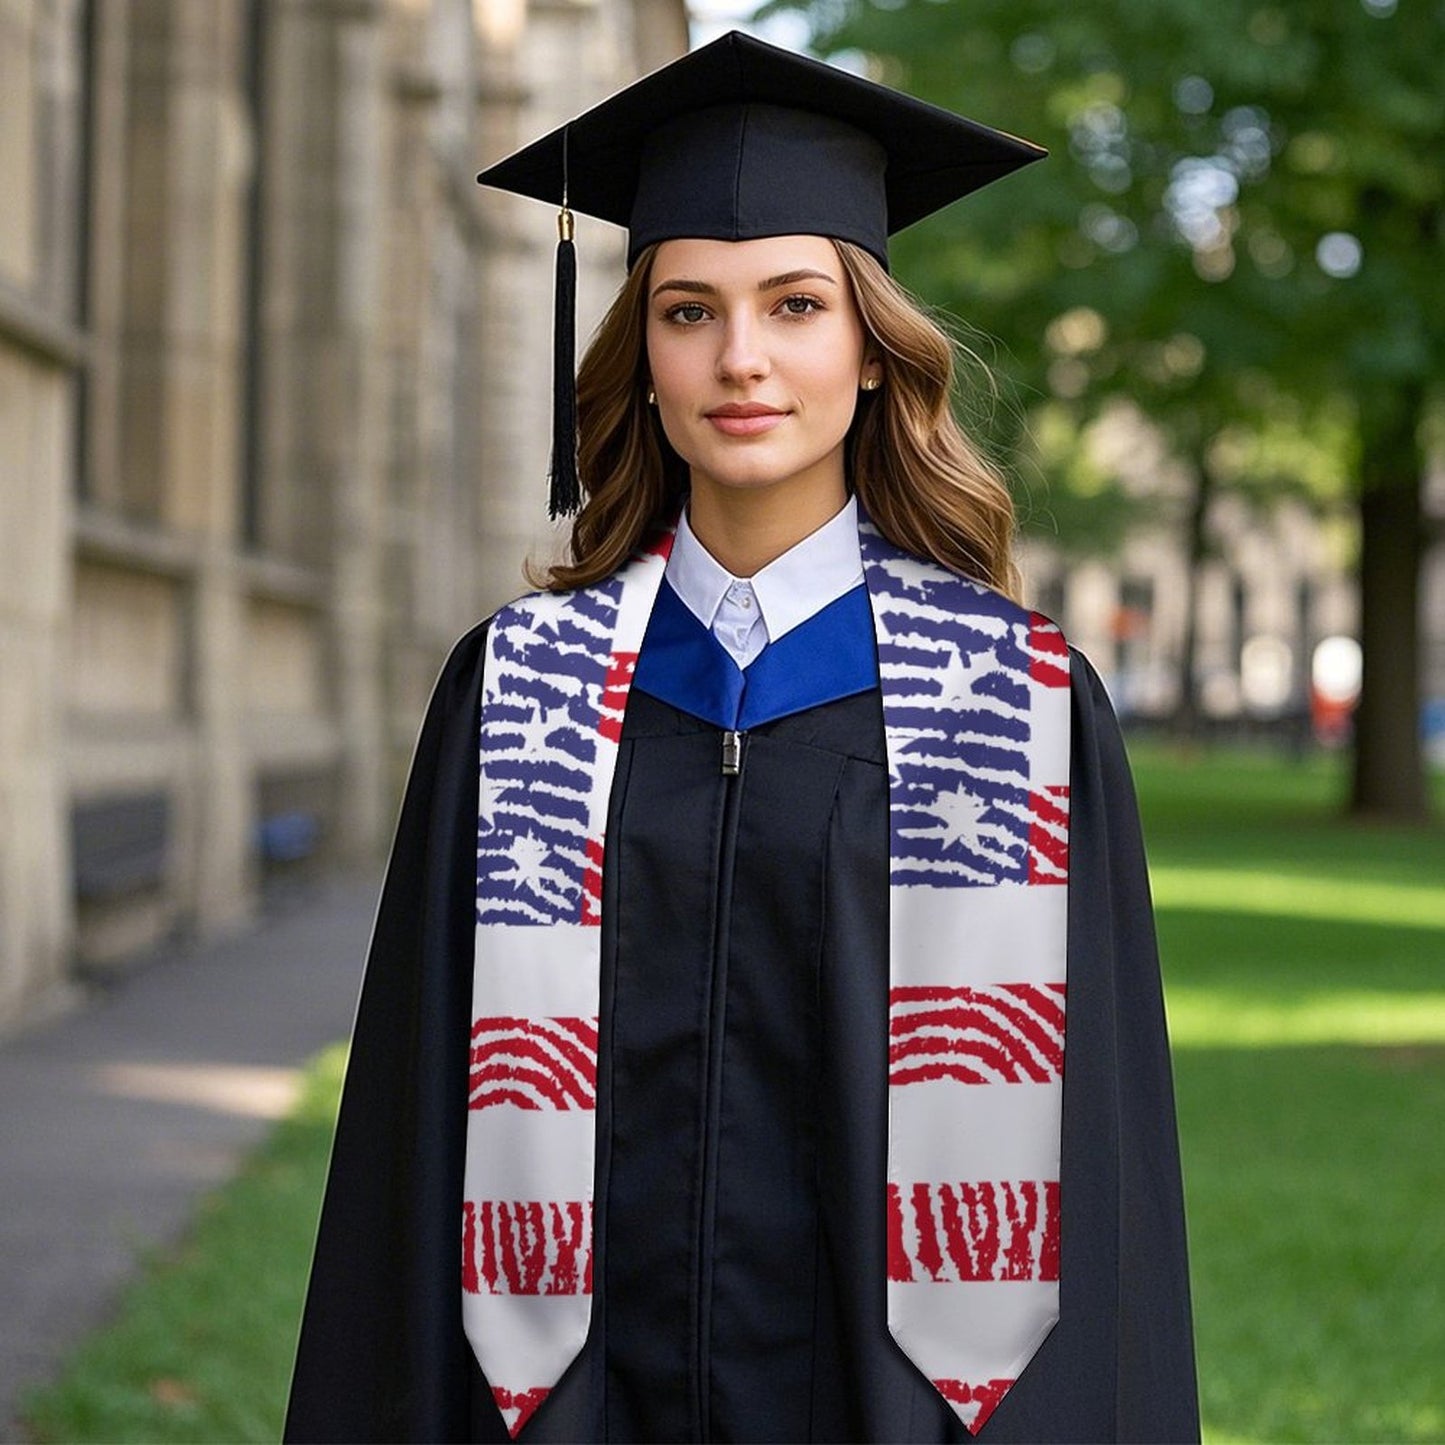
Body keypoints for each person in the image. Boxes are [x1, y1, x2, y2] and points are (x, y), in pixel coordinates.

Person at [285, 31, 1198, 1445]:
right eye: (689, 311)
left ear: (873, 349)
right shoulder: (522, 690)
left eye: (794, 304)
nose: (743, 358)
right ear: (639, 352)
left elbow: (1094, 1182)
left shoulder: (1008, 705)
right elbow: (414, 1145)